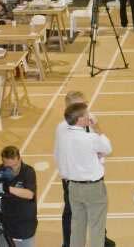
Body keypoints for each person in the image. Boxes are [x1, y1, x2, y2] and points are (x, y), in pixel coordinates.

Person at [54, 102, 111, 247]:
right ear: (79, 119)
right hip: (93, 188)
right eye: (86, 114)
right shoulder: (90, 138)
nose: (89, 116)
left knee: (77, 227)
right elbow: (107, 148)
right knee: (96, 227)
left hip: (73, 187)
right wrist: (97, 129)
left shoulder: (64, 137)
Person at [0, 145, 37, 246]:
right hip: (6, 223)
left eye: (14, 165)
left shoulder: (28, 171)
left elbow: (30, 194)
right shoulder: (1, 170)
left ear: (20, 159)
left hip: (24, 225)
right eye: (8, 166)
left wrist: (8, 189)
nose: (12, 169)